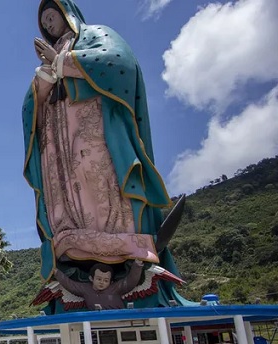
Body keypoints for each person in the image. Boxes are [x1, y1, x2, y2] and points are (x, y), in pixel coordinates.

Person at [22, 0, 186, 309]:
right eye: (45, 21)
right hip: (59, 146)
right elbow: (30, 108)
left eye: (53, 16)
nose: (50, 24)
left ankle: (125, 250)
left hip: (93, 133)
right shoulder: (45, 64)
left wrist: (63, 62)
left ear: (67, 14)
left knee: (102, 184)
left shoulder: (96, 36)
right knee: (69, 194)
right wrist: (42, 83)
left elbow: (118, 62)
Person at [55, 260, 144, 310]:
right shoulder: (85, 289)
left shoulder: (116, 288)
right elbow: (70, 285)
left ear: (111, 282)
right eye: (99, 279)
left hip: (118, 317)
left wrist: (137, 265)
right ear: (91, 279)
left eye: (106, 280)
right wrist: (56, 272)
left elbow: (130, 281)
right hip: (96, 319)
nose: (102, 282)